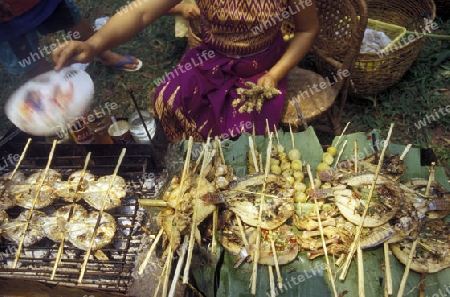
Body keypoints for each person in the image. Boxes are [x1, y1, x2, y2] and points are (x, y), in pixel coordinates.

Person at [52, 0, 319, 142]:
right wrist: (94, 44)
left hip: (262, 67)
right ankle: (193, 168)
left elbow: (307, 29)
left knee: (243, 128)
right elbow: (143, 11)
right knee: (168, 100)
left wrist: (275, 74)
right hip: (212, 58)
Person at [0, 0, 142, 78]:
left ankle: (106, 55)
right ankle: (56, 92)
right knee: (30, 59)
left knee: (75, 24)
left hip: (44, 2)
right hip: (5, 21)